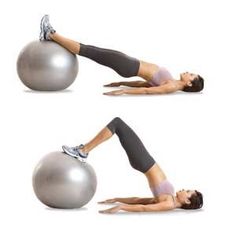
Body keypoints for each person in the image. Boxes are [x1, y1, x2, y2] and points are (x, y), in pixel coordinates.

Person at [62, 117, 203, 213]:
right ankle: (83, 150)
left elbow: (144, 208)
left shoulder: (168, 204)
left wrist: (121, 207)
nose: (185, 189)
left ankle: (83, 151)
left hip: (144, 162)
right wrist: (117, 199)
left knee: (117, 123)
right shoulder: (170, 199)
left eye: (188, 191)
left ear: (187, 202)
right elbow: (139, 200)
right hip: (143, 162)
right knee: (118, 124)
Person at [39, 15, 204, 95]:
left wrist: (124, 92)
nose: (188, 72)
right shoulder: (173, 82)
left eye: (191, 75)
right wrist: (121, 83)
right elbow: (144, 84)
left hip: (129, 65)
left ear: (189, 84)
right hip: (129, 65)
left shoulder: (173, 86)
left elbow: (149, 92)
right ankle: (51, 34)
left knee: (90, 51)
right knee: (92, 50)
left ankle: (51, 34)